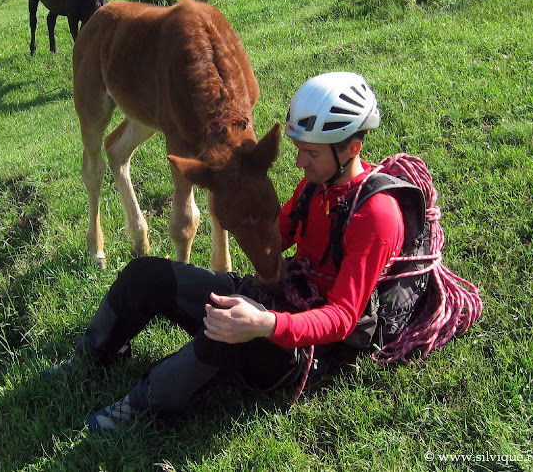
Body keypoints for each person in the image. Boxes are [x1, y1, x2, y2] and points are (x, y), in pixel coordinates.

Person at [47, 71, 409, 434]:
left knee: (228, 330)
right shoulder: (318, 183)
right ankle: (92, 354)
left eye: (310, 153)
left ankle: (137, 405)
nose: (300, 162)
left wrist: (265, 324)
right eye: (299, 150)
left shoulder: (377, 217)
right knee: (147, 274)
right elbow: (277, 235)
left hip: (306, 350)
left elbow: (342, 317)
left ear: (351, 148)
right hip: (279, 294)